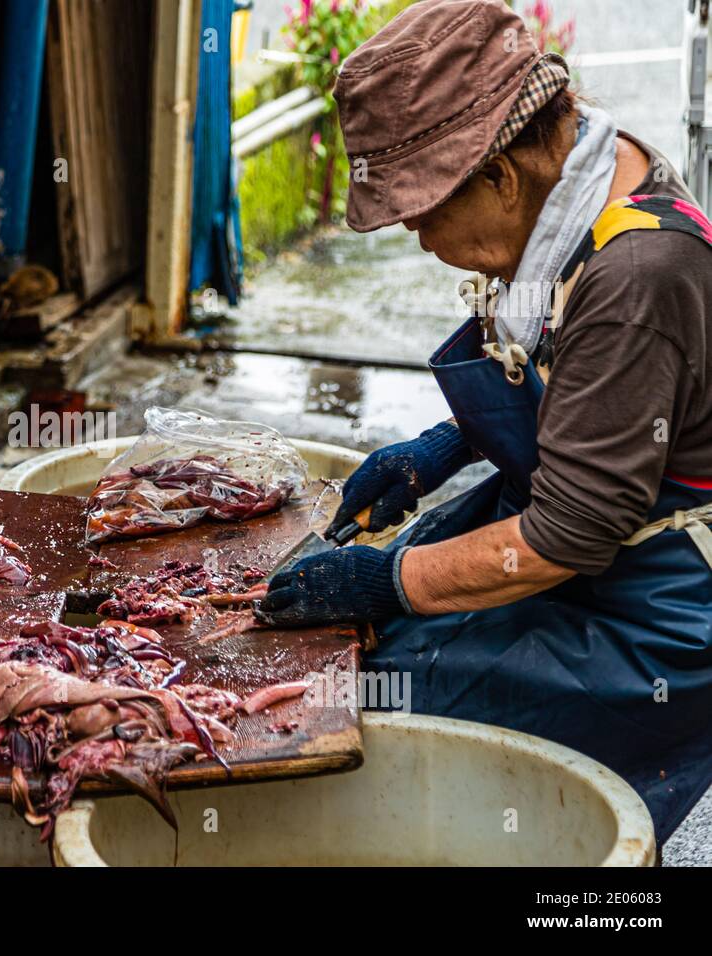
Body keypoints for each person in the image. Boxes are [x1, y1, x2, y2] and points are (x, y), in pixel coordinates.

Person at [258, 0, 712, 843]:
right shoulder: (582, 174)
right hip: (585, 533)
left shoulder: (635, 274)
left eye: (423, 214)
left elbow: (568, 536)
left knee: (377, 707)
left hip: (652, 609)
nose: (420, 239)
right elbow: (580, 387)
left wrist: (383, 580)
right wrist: (446, 444)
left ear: (502, 176)